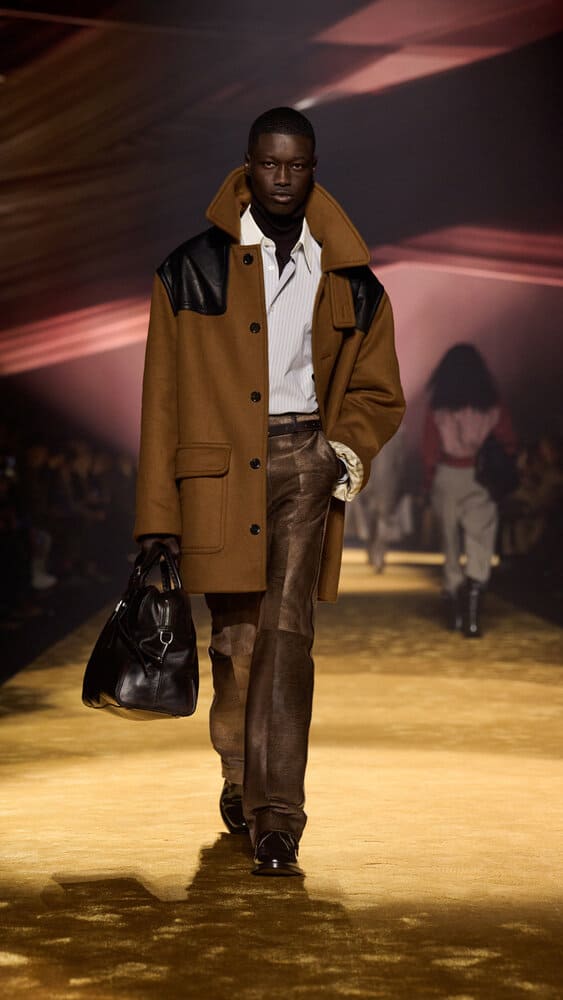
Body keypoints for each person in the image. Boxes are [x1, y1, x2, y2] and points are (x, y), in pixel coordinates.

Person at [134, 107, 404, 876]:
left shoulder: (350, 277)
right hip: (221, 474)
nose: (282, 178)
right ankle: (237, 773)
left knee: (287, 637)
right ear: (247, 166)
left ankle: (277, 817)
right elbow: (160, 401)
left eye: (297, 165)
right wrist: (156, 519)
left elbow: (379, 389)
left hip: (303, 463)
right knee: (237, 643)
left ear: (313, 168)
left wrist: (335, 450)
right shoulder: (190, 270)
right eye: (270, 164)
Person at [422, 344, 516, 638]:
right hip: (480, 477)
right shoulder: (492, 405)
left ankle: (454, 608)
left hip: (447, 474)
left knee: (449, 542)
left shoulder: (439, 406)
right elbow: (508, 442)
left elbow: (429, 449)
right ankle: (473, 616)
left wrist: (429, 482)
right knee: (480, 541)